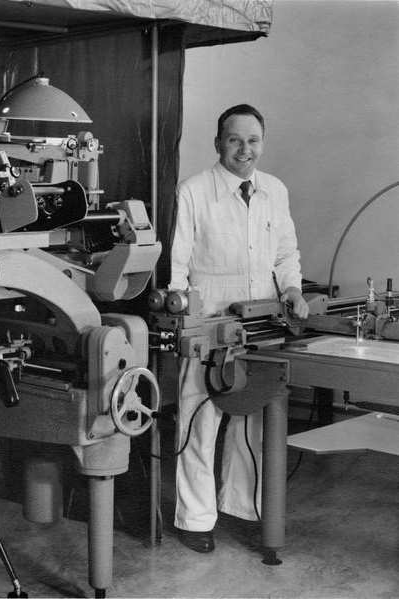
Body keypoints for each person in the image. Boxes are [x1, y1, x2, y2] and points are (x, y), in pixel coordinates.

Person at [169, 103, 309, 553]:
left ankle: (243, 510)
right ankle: (195, 520)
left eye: (252, 141)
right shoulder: (193, 191)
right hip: (208, 323)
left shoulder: (275, 190)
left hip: (262, 320)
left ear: (262, 144)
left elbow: (286, 253)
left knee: (253, 418)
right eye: (235, 140)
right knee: (199, 417)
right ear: (218, 143)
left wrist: (291, 289)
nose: (244, 150)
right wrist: (183, 318)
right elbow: (176, 262)